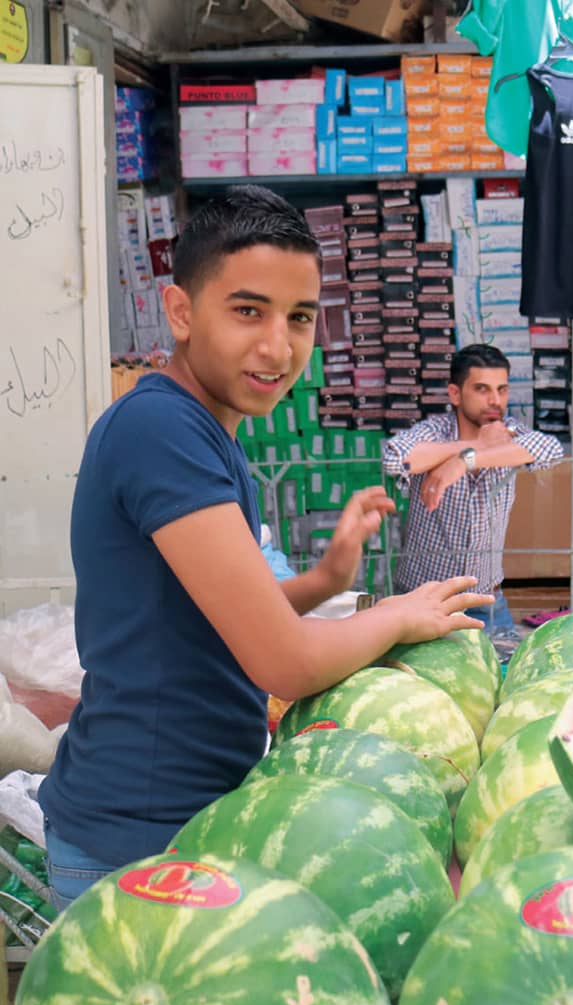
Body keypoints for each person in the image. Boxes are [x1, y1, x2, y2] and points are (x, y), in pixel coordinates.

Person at [38, 185, 491, 910]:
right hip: (137, 844)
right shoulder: (161, 432)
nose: (279, 347)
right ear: (181, 312)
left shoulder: (202, 430)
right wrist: (402, 616)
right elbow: (282, 659)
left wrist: (322, 579)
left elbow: (208, 616)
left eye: (301, 318)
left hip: (180, 825)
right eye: (248, 311)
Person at [381, 344, 564, 635]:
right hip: (425, 599)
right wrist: (475, 446)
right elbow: (395, 459)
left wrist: (464, 462)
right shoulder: (436, 432)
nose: (495, 401)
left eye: (502, 390)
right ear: (455, 394)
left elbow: (550, 449)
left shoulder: (509, 433)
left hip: (487, 601)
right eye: (482, 389)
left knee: (504, 674)